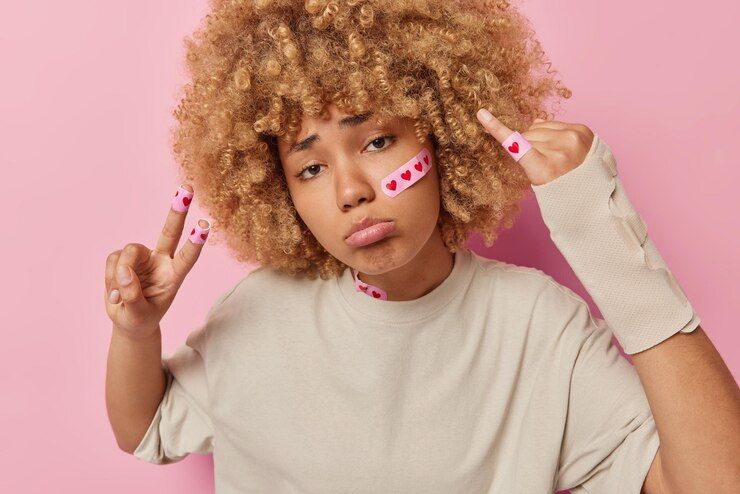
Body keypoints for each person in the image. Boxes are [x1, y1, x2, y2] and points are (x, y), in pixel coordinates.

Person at [104, 1, 740, 493]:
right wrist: (136, 334)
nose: (351, 191)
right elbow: (148, 428)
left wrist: (605, 235)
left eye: (377, 141)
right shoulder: (255, 314)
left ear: (442, 136)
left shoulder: (539, 331)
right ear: (281, 191)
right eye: (310, 168)